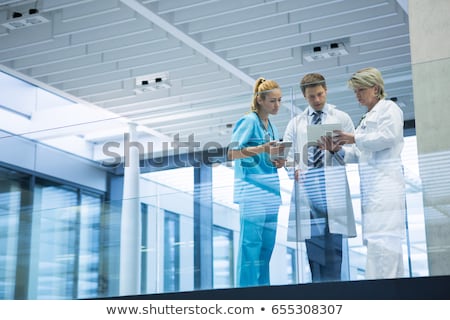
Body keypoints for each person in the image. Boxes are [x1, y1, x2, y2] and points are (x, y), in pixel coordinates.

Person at [326, 67, 406, 279]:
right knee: (378, 242)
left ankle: (383, 299)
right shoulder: (367, 118)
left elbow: (388, 137)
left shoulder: (389, 109)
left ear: (376, 88)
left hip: (386, 185)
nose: (357, 95)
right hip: (373, 188)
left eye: (361, 90)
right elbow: (358, 154)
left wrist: (354, 138)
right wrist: (338, 149)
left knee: (384, 243)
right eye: (355, 91)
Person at [284, 73, 357, 283]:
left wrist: (338, 151)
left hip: (332, 193)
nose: (317, 100)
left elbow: (357, 151)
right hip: (309, 193)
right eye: (311, 97)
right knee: (314, 254)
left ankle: (335, 297)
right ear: (304, 97)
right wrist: (294, 170)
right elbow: (288, 156)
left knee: (334, 253)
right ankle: (319, 296)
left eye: (320, 94)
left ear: (326, 90)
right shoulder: (296, 123)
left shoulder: (341, 118)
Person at [228, 77, 285, 287]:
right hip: (252, 193)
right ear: (260, 100)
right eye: (272, 101)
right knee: (250, 246)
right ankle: (246, 295)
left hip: (271, 193)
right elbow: (232, 153)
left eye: (279, 100)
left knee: (266, 248)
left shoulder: (273, 127)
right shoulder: (249, 121)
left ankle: (263, 293)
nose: (277, 105)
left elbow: (268, 155)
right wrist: (262, 149)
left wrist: (278, 160)